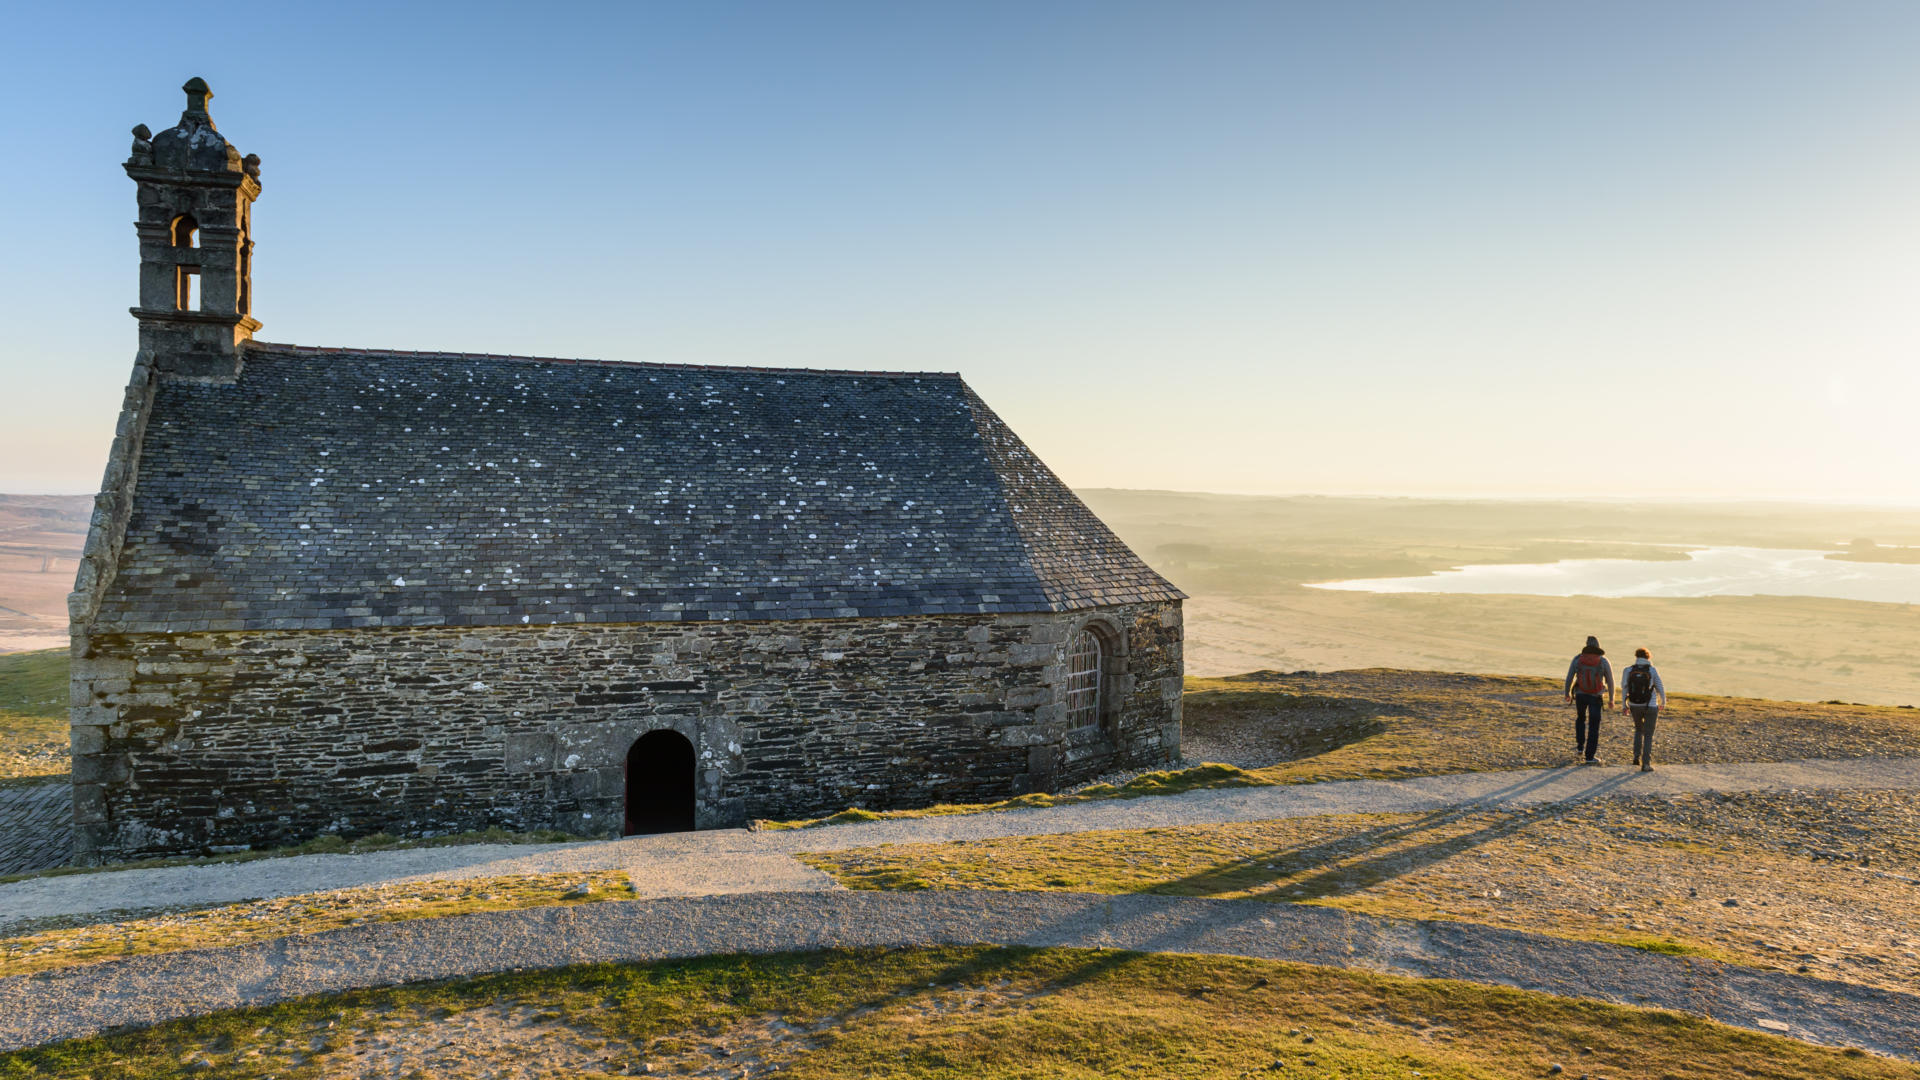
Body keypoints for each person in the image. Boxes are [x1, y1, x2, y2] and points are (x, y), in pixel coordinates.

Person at [1563, 635, 1613, 764]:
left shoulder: (1578, 659)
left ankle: (1580, 747)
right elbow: (1610, 681)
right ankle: (1590, 756)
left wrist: (1567, 693)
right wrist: (1611, 699)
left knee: (1580, 719)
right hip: (1596, 696)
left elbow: (1569, 678)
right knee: (1594, 726)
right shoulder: (1603, 661)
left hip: (1580, 694)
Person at [1621, 647, 1667, 772]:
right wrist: (1663, 702)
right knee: (1648, 734)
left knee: (1638, 729)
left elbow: (1624, 688)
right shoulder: (1652, 670)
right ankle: (1646, 764)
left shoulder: (1628, 670)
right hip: (1650, 705)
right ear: (1648, 657)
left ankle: (1636, 757)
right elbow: (1660, 687)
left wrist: (1624, 706)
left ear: (1636, 657)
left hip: (1634, 705)